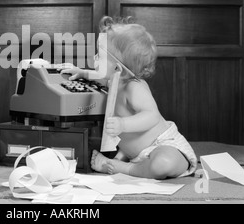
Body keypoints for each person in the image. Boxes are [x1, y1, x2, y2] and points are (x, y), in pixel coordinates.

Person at [61, 16, 197, 179]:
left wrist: (122, 124)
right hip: (136, 154)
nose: (95, 58)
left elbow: (152, 116)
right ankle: (133, 165)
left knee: (162, 164)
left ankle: (123, 168)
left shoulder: (135, 86)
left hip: (163, 144)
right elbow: (100, 77)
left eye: (100, 54)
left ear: (118, 68)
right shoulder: (113, 81)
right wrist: (82, 72)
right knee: (151, 164)